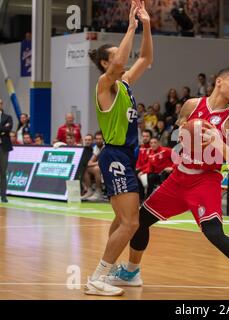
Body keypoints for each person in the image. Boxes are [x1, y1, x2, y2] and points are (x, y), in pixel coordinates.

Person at [106, 68, 229, 300]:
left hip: (205, 180)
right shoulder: (191, 105)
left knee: (214, 234)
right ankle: (131, 272)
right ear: (218, 82)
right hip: (179, 177)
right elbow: (180, 126)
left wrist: (218, 143)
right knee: (140, 222)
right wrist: (185, 132)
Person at [85, 0, 153, 296]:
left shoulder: (124, 83)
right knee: (130, 222)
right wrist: (129, 26)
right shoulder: (104, 83)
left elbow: (146, 59)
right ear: (105, 63)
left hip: (126, 157)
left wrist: (147, 25)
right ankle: (98, 277)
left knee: (122, 220)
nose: (122, 59)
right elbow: (118, 64)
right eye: (115, 56)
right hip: (115, 156)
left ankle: (108, 272)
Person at [81, 131, 105, 201]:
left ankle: (99, 192)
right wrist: (98, 162)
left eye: (100, 139)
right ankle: (89, 191)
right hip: (101, 166)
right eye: (97, 139)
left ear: (103, 140)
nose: (98, 140)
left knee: (96, 169)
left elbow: (104, 162)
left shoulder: (106, 147)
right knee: (85, 168)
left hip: (110, 167)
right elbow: (90, 162)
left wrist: (98, 163)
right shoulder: (96, 147)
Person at [0, 99, 13, 203]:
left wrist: (4, 129)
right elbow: (4, 129)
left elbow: (8, 129)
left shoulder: (8, 117)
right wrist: (2, 128)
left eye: (0, 102)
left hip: (3, 147)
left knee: (3, 172)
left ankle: (3, 196)